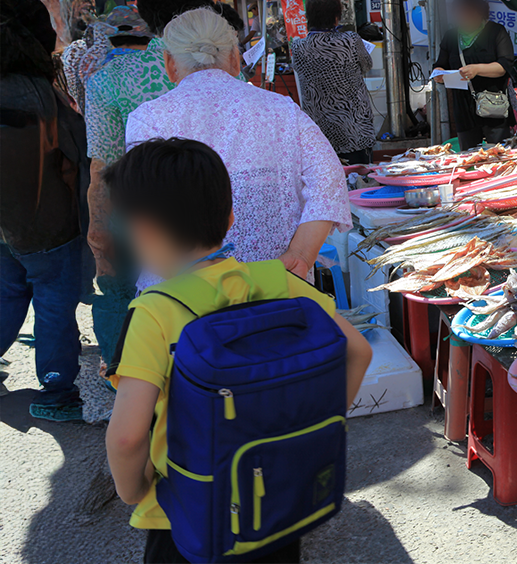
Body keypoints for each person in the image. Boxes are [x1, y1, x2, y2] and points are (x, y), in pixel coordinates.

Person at [103, 137, 372, 564]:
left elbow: (127, 435)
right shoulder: (282, 283)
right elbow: (358, 350)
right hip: (279, 505)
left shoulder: (155, 312)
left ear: (144, 231)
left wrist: (132, 490)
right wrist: (314, 430)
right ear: (229, 219)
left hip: (186, 519)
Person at [125, 7, 351, 281]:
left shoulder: (147, 119)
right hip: (275, 284)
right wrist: (302, 255)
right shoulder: (281, 109)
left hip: (182, 295)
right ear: (234, 58)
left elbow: (145, 209)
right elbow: (329, 178)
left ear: (170, 64)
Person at [85, 0, 213, 367]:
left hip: (137, 222)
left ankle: (129, 389)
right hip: (218, 215)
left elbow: (100, 173)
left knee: (132, 311)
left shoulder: (106, 81)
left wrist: (98, 238)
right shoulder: (229, 69)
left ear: (145, 15)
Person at [0, 0, 89, 420]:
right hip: (48, 222)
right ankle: (55, 391)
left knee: (6, 291)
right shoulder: (40, 92)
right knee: (54, 300)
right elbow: (75, 153)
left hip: (4, 224)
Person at [291, 0, 376, 164]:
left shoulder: (299, 47)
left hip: (320, 133)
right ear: (336, 17)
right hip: (355, 128)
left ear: (308, 17)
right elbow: (367, 65)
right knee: (360, 182)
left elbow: (299, 71)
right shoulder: (351, 40)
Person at [433, 0, 516, 149]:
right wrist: (439, 74)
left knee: (499, 155)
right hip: (463, 109)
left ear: (480, 12)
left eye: (469, 13)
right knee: (469, 157)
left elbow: (504, 66)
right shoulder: (450, 36)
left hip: (494, 107)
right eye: (460, 14)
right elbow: (439, 65)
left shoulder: (496, 31)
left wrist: (477, 69)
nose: (464, 18)